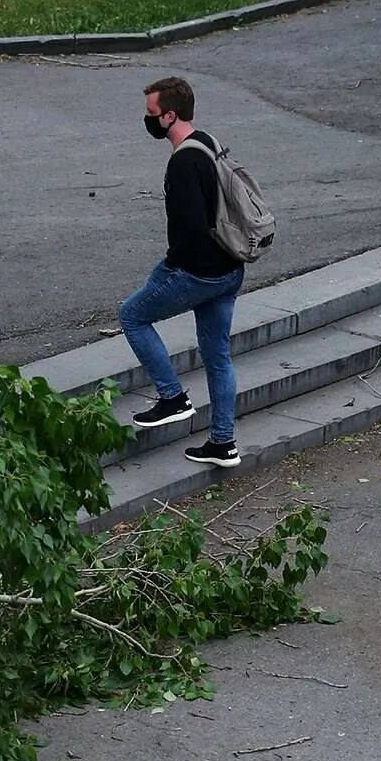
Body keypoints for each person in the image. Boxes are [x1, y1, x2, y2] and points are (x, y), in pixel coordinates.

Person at [118, 76, 246, 469]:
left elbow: (190, 228)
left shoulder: (183, 162)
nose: (147, 119)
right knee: (217, 356)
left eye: (151, 113)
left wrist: (171, 267)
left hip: (199, 273)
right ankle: (223, 444)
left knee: (133, 315)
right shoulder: (207, 141)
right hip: (229, 268)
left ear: (170, 115)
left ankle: (173, 397)